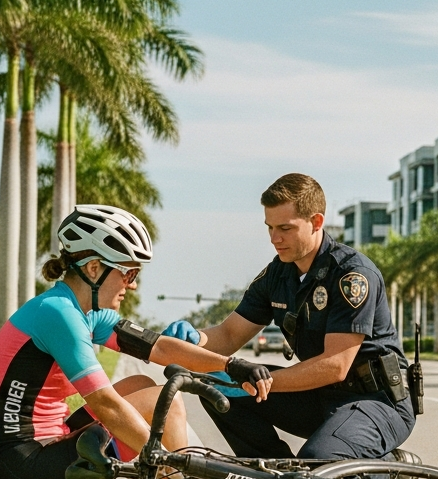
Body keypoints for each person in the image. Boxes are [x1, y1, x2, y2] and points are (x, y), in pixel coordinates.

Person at [0, 205, 272, 479]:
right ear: (94, 269)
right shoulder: (59, 314)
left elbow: (159, 347)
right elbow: (107, 405)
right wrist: (177, 472)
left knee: (142, 384)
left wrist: (231, 365)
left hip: (46, 444)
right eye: (128, 272)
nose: (133, 283)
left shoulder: (83, 310)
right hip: (18, 469)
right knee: (164, 402)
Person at [160, 173, 415, 463]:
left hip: (375, 402)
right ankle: (277, 472)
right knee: (216, 384)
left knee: (320, 462)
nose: (274, 239)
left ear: (316, 222)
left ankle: (391, 470)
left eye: (285, 228)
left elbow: (336, 366)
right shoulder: (278, 274)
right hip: (318, 397)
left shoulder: (351, 275)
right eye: (269, 227)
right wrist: (193, 339)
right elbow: (229, 335)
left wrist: (259, 382)